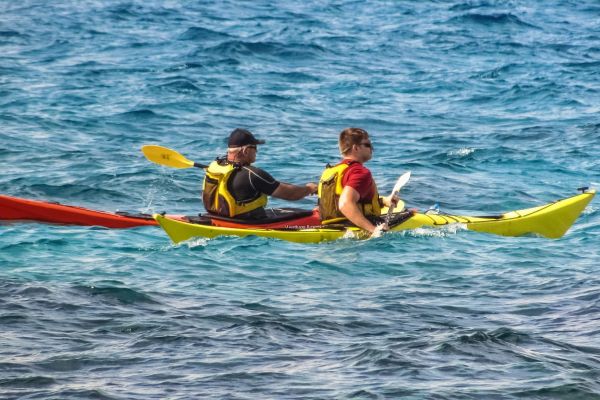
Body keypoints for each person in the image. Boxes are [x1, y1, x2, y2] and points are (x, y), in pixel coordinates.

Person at [202, 128, 317, 219]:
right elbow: (290, 194)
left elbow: (272, 185)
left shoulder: (216, 166)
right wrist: (309, 188)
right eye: (254, 147)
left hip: (219, 217)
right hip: (247, 224)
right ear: (245, 151)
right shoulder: (252, 175)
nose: (256, 151)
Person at [317, 127, 398, 234]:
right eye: (368, 145)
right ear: (356, 148)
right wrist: (373, 230)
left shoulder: (331, 171)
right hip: (352, 229)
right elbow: (345, 204)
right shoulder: (360, 172)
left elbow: (344, 200)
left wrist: (384, 201)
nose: (372, 149)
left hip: (329, 227)